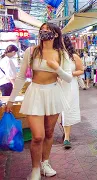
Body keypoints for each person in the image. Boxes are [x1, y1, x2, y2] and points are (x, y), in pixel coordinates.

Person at [5, 23, 73, 180]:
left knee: (49, 132)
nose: (44, 33)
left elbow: (68, 78)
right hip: (35, 93)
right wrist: (11, 99)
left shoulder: (61, 54)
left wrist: (57, 68)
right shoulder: (31, 51)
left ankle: (45, 163)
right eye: (42, 31)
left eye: (47, 31)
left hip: (53, 93)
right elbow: (21, 77)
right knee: (37, 136)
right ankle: (35, 168)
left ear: (55, 34)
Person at [61, 35, 84, 149]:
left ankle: (66, 137)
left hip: (70, 86)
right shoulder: (55, 56)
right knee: (58, 111)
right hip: (57, 85)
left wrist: (70, 74)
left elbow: (81, 70)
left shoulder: (74, 56)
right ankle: (64, 130)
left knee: (67, 110)